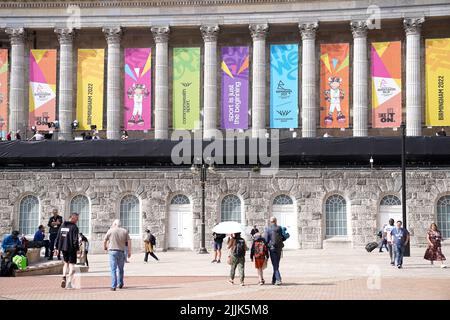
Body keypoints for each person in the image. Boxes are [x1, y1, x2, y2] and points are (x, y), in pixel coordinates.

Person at [104, 219, 131, 291]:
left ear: (115, 224)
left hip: (112, 251)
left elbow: (105, 240)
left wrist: (105, 247)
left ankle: (113, 286)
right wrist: (129, 251)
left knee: (113, 269)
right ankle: (121, 283)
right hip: (121, 251)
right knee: (121, 269)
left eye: (113, 224)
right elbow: (129, 241)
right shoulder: (124, 231)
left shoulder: (110, 230)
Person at [55, 212, 80, 289]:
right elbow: (75, 240)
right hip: (71, 248)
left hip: (63, 248)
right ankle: (69, 282)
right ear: (73, 218)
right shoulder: (74, 227)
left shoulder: (62, 226)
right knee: (72, 265)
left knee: (65, 263)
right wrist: (77, 249)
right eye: (77, 219)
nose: (78, 220)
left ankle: (63, 277)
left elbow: (58, 237)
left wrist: (56, 248)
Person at [265, 216, 284, 285]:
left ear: (270, 222)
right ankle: (273, 280)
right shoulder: (279, 228)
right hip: (279, 248)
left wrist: (266, 246)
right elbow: (282, 237)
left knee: (275, 265)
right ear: (276, 221)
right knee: (276, 264)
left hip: (272, 249)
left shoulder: (268, 229)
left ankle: (278, 279)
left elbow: (266, 240)